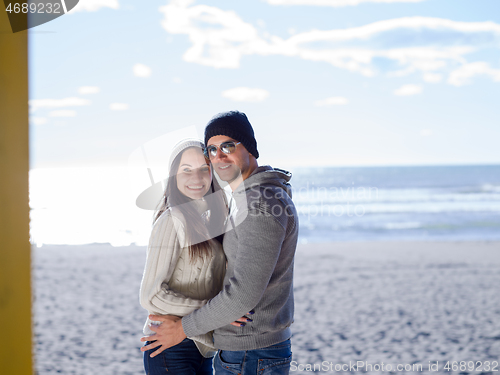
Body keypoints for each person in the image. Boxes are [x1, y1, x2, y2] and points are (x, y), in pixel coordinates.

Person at [141, 111, 299, 375]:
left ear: (249, 147)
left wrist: (188, 325)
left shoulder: (253, 205)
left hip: (241, 348)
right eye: (212, 150)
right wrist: (194, 322)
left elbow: (242, 294)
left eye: (228, 146)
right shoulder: (186, 217)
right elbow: (151, 293)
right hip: (187, 343)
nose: (219, 156)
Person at [139, 139, 228, 374]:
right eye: (186, 170)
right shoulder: (172, 219)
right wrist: (215, 311)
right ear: (173, 176)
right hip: (170, 347)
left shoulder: (212, 221)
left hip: (201, 348)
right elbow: (151, 295)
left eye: (203, 168)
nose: (196, 178)